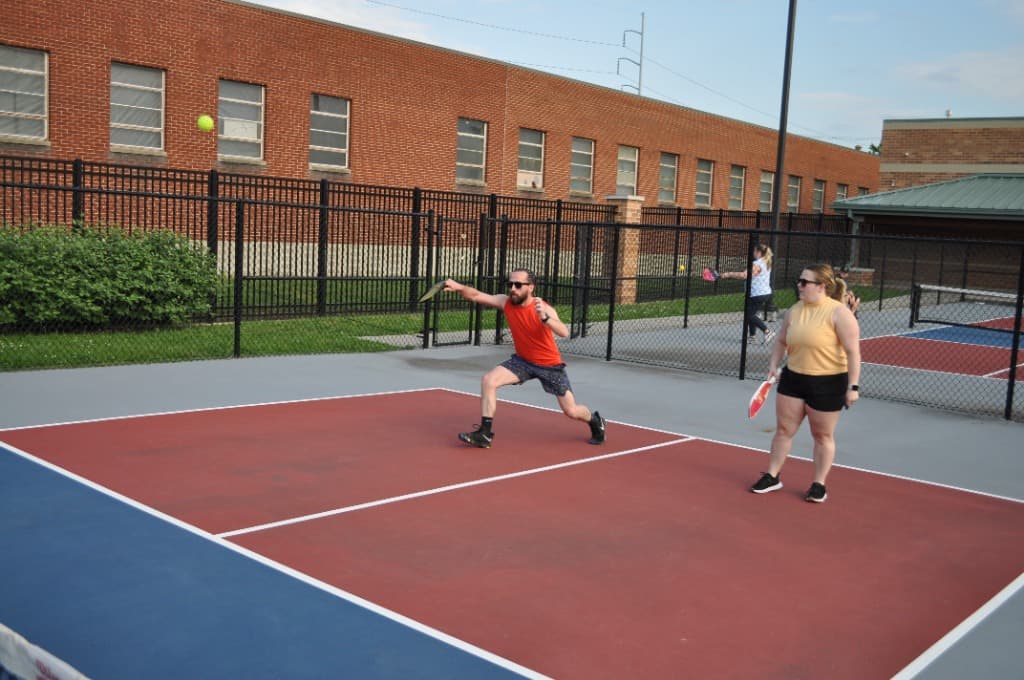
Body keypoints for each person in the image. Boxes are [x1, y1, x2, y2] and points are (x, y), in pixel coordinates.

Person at [442, 269, 606, 449]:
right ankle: (485, 434)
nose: (513, 288)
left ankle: (595, 420)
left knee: (571, 411)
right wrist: (457, 286)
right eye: (510, 284)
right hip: (523, 361)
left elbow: (564, 332)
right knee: (489, 380)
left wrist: (545, 318)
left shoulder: (542, 308)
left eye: (518, 285)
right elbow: (475, 295)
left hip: (549, 366)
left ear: (531, 288)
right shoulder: (506, 302)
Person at [749, 264, 861, 503]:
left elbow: (853, 352)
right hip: (794, 378)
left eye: (804, 282)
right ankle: (772, 475)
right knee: (784, 431)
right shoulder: (794, 310)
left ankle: (819, 484)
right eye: (799, 281)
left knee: (822, 436)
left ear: (821, 287)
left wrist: (853, 387)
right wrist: (773, 365)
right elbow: (781, 341)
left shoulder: (839, 314)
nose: (798, 286)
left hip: (828, 383)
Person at [716, 243, 776, 345]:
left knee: (749, 315)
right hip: (763, 293)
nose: (753, 253)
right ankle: (752, 337)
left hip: (758, 294)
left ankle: (767, 331)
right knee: (750, 313)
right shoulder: (766, 262)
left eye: (754, 251)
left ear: (759, 252)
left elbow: (744, 275)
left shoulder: (757, 264)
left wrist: (729, 274)